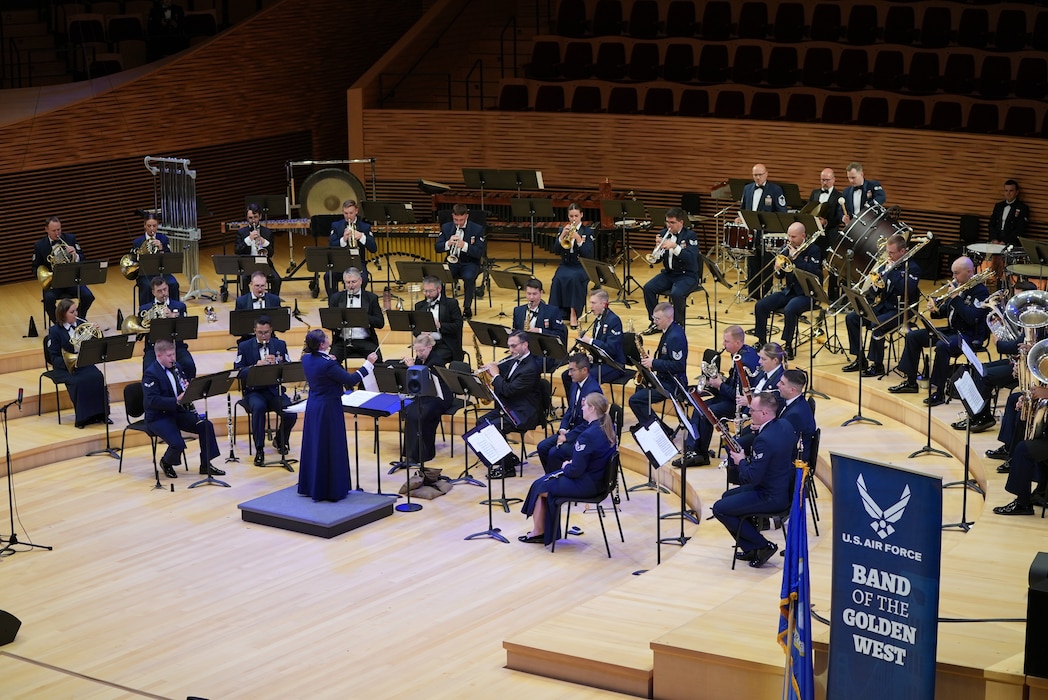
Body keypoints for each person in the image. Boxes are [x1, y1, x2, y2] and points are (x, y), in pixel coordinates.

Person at [888, 257, 990, 406]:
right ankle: (910, 382)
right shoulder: (959, 285)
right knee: (913, 336)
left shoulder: (981, 291)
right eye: (953, 273)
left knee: (943, 346)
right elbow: (945, 311)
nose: (953, 277)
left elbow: (971, 317)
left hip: (969, 335)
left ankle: (939, 392)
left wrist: (955, 298)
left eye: (957, 273)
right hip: (952, 330)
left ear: (969, 272)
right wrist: (935, 310)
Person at [519, 393, 617, 546]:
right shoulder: (608, 427)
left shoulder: (587, 435)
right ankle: (545, 531)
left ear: (592, 408)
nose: (582, 408)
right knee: (545, 482)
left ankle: (538, 532)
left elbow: (574, 471)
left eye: (584, 406)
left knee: (540, 486)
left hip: (587, 484)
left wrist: (566, 466)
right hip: (598, 481)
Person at [712, 391, 796, 568]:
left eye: (752, 411)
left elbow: (751, 478)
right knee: (727, 496)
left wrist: (741, 460)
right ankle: (751, 548)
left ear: (764, 413)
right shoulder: (784, 424)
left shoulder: (764, 440)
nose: (749, 413)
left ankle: (763, 546)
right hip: (781, 486)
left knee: (720, 509)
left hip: (770, 495)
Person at [297, 329, 377, 501]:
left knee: (315, 445)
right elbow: (350, 380)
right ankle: (331, 489)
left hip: (314, 405)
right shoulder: (328, 364)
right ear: (322, 344)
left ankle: (312, 485)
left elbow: (322, 365)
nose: (328, 339)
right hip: (328, 408)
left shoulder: (307, 358)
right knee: (330, 445)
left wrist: (330, 360)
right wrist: (368, 364)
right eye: (326, 338)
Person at [675, 325, 758, 467]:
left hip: (740, 405)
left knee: (707, 413)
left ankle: (701, 454)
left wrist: (720, 384)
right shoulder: (742, 352)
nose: (723, 344)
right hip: (731, 398)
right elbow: (734, 384)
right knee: (699, 407)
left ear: (737, 343)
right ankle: (693, 449)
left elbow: (737, 395)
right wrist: (721, 380)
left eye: (726, 341)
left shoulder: (744, 361)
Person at [143, 338, 224, 479]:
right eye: (169, 356)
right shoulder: (150, 374)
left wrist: (189, 391)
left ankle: (206, 464)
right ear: (159, 356)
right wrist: (176, 400)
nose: (173, 358)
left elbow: (180, 389)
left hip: (177, 412)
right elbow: (152, 401)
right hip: (158, 417)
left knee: (206, 426)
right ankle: (166, 462)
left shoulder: (176, 367)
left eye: (173, 354)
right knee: (177, 444)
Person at [843, 233, 921, 376]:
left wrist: (891, 272)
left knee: (877, 325)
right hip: (884, 306)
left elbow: (908, 289)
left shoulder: (913, 267)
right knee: (852, 318)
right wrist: (874, 286)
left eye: (892, 253)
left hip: (902, 310)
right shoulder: (886, 264)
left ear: (902, 251)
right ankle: (860, 359)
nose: (889, 256)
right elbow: (874, 292)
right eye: (888, 252)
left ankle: (877, 365)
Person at [234, 316, 299, 466]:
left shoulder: (280, 344)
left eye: (266, 332)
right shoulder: (244, 346)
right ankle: (259, 449)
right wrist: (255, 367)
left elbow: (289, 368)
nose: (263, 336)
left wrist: (278, 363)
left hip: (274, 390)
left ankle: (280, 440)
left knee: (291, 413)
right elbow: (238, 371)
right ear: (254, 331)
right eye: (260, 332)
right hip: (254, 392)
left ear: (271, 331)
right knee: (259, 408)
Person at [752, 221, 822, 359]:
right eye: (789, 236)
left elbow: (813, 272)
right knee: (761, 305)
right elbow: (782, 275)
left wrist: (796, 257)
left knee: (790, 309)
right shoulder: (786, 248)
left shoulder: (814, 250)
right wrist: (777, 270)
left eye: (793, 237)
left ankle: (788, 345)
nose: (790, 240)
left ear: (803, 235)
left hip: (807, 294)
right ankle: (761, 340)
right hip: (790, 290)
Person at [477, 330, 542, 477]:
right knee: (481, 423)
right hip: (510, 408)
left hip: (523, 413)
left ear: (525, 345)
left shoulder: (530, 368)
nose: (511, 350)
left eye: (514, 346)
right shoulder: (514, 359)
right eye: (509, 346)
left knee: (492, 428)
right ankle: (509, 458)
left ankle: (507, 469)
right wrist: (490, 369)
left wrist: (495, 375)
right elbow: (501, 373)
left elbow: (509, 390)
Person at [47, 298, 108, 429]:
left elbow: (96, 343)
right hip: (66, 368)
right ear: (63, 314)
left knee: (98, 377)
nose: (76, 314)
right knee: (80, 382)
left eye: (76, 310)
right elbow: (54, 357)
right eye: (72, 312)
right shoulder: (55, 331)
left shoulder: (83, 324)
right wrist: (71, 362)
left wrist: (97, 331)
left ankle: (102, 414)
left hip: (83, 363)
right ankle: (83, 418)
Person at [537, 353, 602, 474]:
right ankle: (552, 478)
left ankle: (558, 483)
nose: (569, 374)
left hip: (583, 435)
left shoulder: (593, 390)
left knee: (555, 453)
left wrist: (567, 437)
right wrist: (563, 429)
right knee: (543, 447)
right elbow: (570, 410)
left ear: (584, 370)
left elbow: (588, 423)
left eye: (572, 370)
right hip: (570, 431)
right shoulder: (575, 384)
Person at [628, 302, 688, 431]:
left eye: (657, 319)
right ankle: (650, 424)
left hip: (674, 383)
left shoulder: (675, 336)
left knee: (635, 400)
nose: (654, 322)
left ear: (669, 318)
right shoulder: (667, 331)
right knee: (639, 389)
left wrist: (654, 363)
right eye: (653, 318)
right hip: (664, 378)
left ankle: (661, 430)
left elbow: (679, 365)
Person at [641, 207, 701, 331]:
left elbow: (691, 258)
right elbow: (656, 260)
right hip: (669, 273)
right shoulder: (664, 234)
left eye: (672, 223)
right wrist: (657, 248)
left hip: (688, 275)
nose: (669, 225)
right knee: (648, 288)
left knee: (677, 293)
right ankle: (655, 322)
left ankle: (678, 325)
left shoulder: (690, 236)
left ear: (681, 222)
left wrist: (675, 247)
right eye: (667, 222)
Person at [398, 334, 453, 466]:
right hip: (425, 396)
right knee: (411, 411)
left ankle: (424, 453)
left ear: (429, 347)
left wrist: (412, 367)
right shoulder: (420, 358)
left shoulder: (436, 361)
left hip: (439, 397)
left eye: (421, 350)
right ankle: (410, 453)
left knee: (422, 414)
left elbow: (425, 381)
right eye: (417, 350)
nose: (419, 353)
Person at [737, 164, 787, 298]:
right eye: (755, 175)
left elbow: (781, 212)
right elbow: (743, 209)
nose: (758, 178)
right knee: (752, 265)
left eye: (760, 175)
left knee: (766, 265)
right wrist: (740, 218)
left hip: (767, 235)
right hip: (751, 234)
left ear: (766, 174)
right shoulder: (747, 189)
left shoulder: (775, 190)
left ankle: (767, 295)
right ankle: (752, 294)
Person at [34, 216, 94, 323]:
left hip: (72, 280)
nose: (57, 233)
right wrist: (46, 276)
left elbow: (83, 258)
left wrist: (75, 255)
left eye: (59, 229)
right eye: (54, 231)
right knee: (48, 299)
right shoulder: (40, 245)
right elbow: (35, 267)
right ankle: (59, 324)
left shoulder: (70, 239)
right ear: (46, 230)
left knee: (88, 296)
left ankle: (78, 320)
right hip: (53, 283)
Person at [435, 204, 486, 319]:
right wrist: (448, 243)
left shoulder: (477, 229)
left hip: (470, 263)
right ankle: (443, 307)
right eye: (456, 220)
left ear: (466, 216)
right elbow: (437, 248)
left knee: (469, 277)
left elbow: (479, 252)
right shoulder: (446, 227)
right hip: (452, 261)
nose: (459, 223)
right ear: (453, 216)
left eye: (461, 220)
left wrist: (465, 246)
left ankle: (467, 308)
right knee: (442, 276)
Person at [139, 276, 196, 379]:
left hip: (176, 346)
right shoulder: (145, 309)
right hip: (153, 348)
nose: (163, 293)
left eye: (165, 289)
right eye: (159, 291)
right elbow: (140, 334)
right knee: (148, 368)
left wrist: (172, 318)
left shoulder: (180, 306)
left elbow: (185, 330)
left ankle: (187, 391)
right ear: (153, 292)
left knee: (189, 365)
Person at [548, 203, 595, 328]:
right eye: (571, 216)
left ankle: (573, 314)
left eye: (576, 216)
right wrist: (561, 236)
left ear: (581, 215)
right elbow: (556, 250)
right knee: (557, 279)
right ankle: (555, 314)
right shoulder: (563, 229)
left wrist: (579, 240)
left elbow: (589, 253)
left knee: (574, 280)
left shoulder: (588, 232)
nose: (573, 219)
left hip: (581, 266)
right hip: (566, 264)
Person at [328, 267, 384, 362]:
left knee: (378, 361)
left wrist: (362, 317)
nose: (351, 285)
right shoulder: (336, 298)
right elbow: (329, 322)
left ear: (360, 281)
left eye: (353, 282)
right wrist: (339, 324)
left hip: (365, 340)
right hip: (342, 341)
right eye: (347, 282)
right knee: (330, 362)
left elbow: (380, 323)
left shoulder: (371, 298)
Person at [512, 278, 567, 371]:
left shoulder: (552, 311)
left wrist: (540, 331)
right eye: (529, 294)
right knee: (504, 367)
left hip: (544, 353)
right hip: (522, 352)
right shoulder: (518, 311)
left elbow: (560, 335)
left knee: (528, 368)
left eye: (535, 294)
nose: (531, 297)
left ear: (541, 293)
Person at [326, 199, 376, 296]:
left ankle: (358, 302)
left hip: (358, 262)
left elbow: (373, 248)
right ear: (342, 212)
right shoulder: (336, 226)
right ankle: (333, 304)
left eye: (351, 213)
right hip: (340, 262)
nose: (348, 216)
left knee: (364, 278)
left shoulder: (365, 227)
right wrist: (343, 240)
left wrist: (362, 237)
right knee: (329, 276)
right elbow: (331, 245)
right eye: (346, 213)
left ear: (356, 211)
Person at [132, 214, 181, 306]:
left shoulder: (163, 239)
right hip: (145, 274)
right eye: (149, 226)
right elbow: (133, 261)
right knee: (147, 286)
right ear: (144, 226)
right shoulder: (137, 242)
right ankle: (145, 311)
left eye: (154, 226)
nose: (152, 229)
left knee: (174, 283)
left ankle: (174, 309)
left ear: (157, 226)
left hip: (162, 272)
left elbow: (169, 259)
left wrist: (161, 248)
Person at [414, 275, 463, 364]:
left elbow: (458, 325)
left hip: (445, 344)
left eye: (431, 291)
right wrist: (421, 333)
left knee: (433, 361)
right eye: (425, 291)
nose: (428, 294)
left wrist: (440, 325)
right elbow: (415, 329)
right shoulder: (420, 306)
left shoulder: (451, 303)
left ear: (439, 289)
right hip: (426, 344)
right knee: (418, 362)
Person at [236, 204, 282, 297]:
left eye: (255, 217)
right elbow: (237, 250)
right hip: (248, 264)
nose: (253, 220)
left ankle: (272, 301)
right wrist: (249, 239)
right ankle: (247, 303)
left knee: (277, 279)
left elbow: (271, 253)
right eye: (250, 218)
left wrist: (264, 242)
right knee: (243, 279)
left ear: (260, 216)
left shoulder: (267, 232)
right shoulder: (241, 232)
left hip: (264, 263)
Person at [776, 369, 817, 465]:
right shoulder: (796, 401)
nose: (778, 384)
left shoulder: (795, 415)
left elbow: (782, 443)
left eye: (782, 383)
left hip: (793, 462)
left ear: (792, 390)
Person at [840, 161, 886, 226]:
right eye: (849, 178)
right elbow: (840, 210)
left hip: (872, 224)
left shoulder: (872, 185)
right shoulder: (846, 192)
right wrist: (843, 218)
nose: (851, 181)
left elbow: (881, 197)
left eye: (853, 177)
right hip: (854, 227)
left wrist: (868, 208)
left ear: (861, 174)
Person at [989, 179, 1031, 247]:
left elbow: (1020, 229)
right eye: (1006, 191)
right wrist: (994, 239)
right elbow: (991, 224)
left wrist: (1005, 242)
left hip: (1011, 241)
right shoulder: (998, 206)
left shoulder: (1023, 208)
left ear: (1017, 192)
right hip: (996, 238)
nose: (1008, 193)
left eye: (1011, 191)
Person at [807, 168, 844, 233]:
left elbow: (839, 217)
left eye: (827, 180)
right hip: (813, 232)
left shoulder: (839, 196)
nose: (825, 183)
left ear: (833, 180)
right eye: (823, 180)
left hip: (830, 233)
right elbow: (809, 210)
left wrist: (826, 222)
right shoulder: (814, 193)